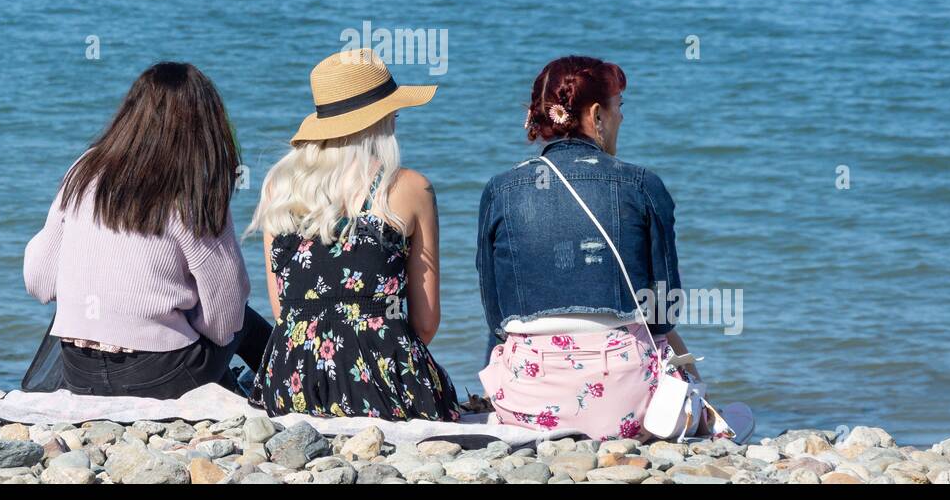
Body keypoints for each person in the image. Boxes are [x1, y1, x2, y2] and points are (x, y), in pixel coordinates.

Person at [476, 55, 748, 440]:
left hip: (526, 401)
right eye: (620, 108)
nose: (621, 118)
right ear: (597, 115)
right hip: (625, 403)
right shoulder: (641, 184)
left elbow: (496, 316)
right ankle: (706, 416)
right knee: (661, 338)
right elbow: (663, 311)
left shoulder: (500, 189)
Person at [23, 61, 271, 399]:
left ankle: (233, 385)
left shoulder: (84, 171)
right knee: (245, 322)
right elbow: (225, 314)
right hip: (156, 377)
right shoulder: (194, 188)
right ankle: (281, 388)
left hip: (78, 372)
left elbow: (38, 281)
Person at [246, 48, 459, 420]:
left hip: (291, 381)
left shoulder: (279, 188)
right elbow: (426, 324)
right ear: (381, 118)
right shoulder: (409, 188)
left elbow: (284, 312)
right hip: (382, 381)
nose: (396, 116)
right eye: (393, 109)